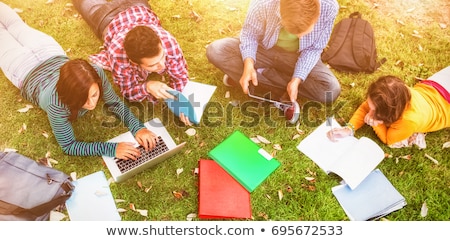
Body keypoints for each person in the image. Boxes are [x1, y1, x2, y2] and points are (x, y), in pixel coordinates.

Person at [0, 1, 159, 160]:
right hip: (21, 67)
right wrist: (111, 148)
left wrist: (138, 128)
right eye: (83, 98)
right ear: (69, 94)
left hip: (46, 50)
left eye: (95, 95)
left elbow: (114, 102)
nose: (91, 104)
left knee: (15, 24)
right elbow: (69, 145)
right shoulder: (55, 103)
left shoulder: (94, 72)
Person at [206, 0, 341, 124]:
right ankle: (273, 88)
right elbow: (249, 34)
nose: (300, 36)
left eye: (306, 30)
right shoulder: (263, 3)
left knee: (330, 89)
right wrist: (248, 64)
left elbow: (314, 48)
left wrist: (297, 79)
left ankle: (258, 79)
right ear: (281, 15)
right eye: (295, 31)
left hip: (297, 57)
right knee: (216, 50)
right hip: (263, 49)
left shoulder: (329, 6)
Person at [72, 0, 192, 125]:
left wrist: (180, 103)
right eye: (152, 65)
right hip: (107, 18)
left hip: (137, 5)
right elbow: (128, 91)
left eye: (162, 57)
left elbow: (180, 76)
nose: (162, 65)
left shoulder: (167, 41)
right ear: (134, 63)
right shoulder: (117, 55)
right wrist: (147, 86)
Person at [327, 68, 450, 148]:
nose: (368, 109)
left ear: (388, 114)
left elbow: (388, 139)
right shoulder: (397, 91)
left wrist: (375, 123)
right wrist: (349, 129)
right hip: (438, 83)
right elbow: (366, 106)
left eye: (374, 111)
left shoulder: (408, 121)